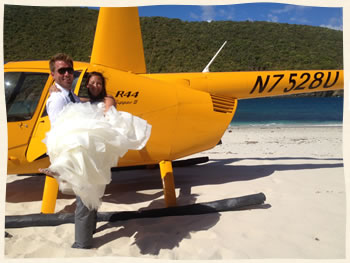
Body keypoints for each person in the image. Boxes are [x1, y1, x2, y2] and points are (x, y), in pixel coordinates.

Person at [41, 59, 151, 249]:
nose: (95, 86)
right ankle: (87, 234)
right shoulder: (75, 99)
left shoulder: (102, 100)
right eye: (91, 83)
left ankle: (82, 243)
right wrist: (54, 88)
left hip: (94, 153)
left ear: (103, 86)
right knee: (88, 194)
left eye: (98, 83)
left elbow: (106, 116)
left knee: (87, 196)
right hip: (86, 153)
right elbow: (69, 114)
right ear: (87, 86)